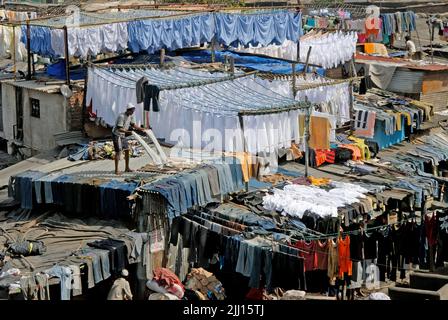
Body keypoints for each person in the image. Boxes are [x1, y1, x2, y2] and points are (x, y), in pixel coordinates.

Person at [112, 103, 146, 175]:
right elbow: (119, 128)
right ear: (128, 110)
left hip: (123, 135)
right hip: (117, 135)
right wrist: (129, 132)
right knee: (118, 152)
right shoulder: (121, 116)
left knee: (127, 150)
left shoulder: (131, 116)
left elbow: (133, 125)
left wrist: (141, 129)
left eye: (133, 111)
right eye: (132, 111)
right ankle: (116, 170)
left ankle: (127, 168)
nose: (132, 112)